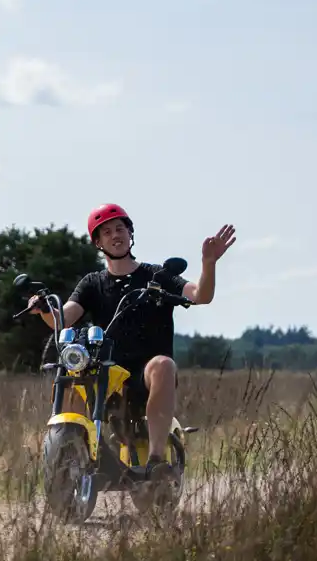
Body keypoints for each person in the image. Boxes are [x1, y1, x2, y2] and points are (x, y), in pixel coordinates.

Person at [31, 203, 236, 476]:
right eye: (106, 232)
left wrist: (208, 264)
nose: (115, 235)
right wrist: (44, 308)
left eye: (120, 229)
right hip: (105, 369)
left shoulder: (157, 276)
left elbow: (201, 295)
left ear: (130, 233)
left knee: (163, 364)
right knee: (71, 375)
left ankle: (156, 461)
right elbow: (63, 319)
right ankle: (72, 457)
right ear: (98, 242)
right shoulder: (92, 283)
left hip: (145, 373)